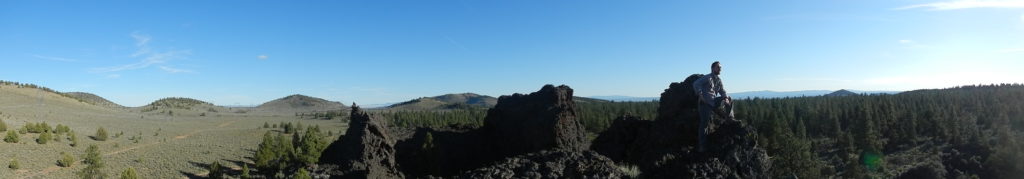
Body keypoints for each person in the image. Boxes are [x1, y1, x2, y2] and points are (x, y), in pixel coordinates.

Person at [693, 61, 736, 152]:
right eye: (718, 67)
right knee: (704, 124)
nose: (720, 69)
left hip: (713, 102)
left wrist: (725, 98)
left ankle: (729, 118)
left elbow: (723, 91)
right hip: (704, 103)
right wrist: (701, 96)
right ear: (713, 68)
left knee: (729, 98)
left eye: (720, 67)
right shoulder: (707, 77)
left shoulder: (718, 80)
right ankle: (702, 146)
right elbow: (696, 84)